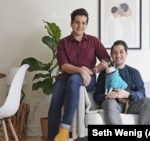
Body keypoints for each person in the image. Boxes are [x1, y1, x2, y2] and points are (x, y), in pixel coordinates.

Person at [47, 8, 110, 141]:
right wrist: (81, 70)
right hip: (65, 78)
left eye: (83, 23)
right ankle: (52, 139)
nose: (80, 26)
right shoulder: (63, 43)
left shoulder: (93, 41)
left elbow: (107, 60)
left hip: (88, 80)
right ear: (71, 23)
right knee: (54, 104)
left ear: (86, 25)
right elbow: (63, 65)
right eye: (77, 22)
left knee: (75, 80)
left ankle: (64, 128)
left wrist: (93, 70)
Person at [93, 40, 150, 125]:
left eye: (121, 52)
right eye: (114, 53)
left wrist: (127, 94)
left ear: (126, 53)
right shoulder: (104, 73)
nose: (118, 55)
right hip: (112, 105)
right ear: (111, 55)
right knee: (110, 102)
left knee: (149, 102)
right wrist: (106, 96)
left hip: (130, 105)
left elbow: (142, 94)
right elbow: (96, 96)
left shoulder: (134, 72)